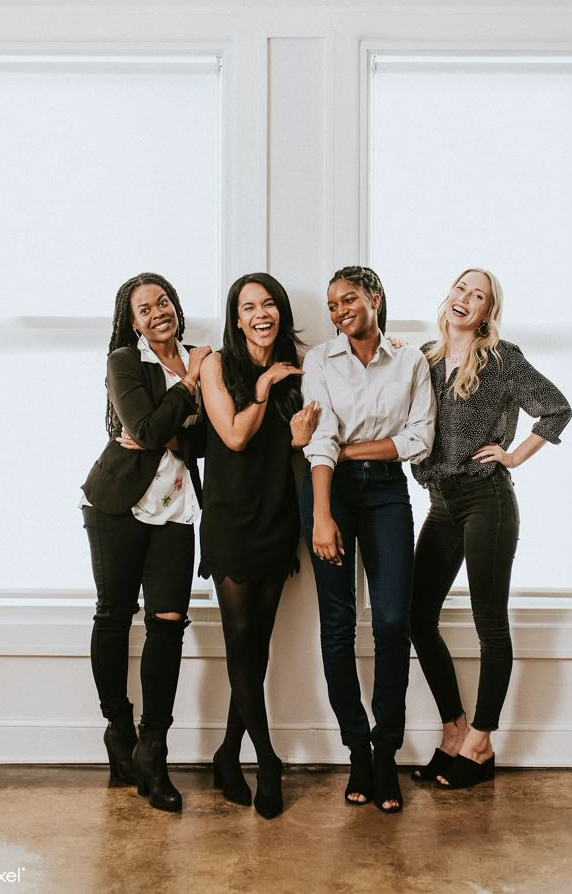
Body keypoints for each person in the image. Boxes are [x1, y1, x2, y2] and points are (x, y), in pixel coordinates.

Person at [410, 267, 572, 789]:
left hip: (487, 500)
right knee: (418, 618)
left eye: (478, 296)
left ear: (487, 312)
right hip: (441, 503)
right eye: (461, 288)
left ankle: (480, 743)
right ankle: (454, 729)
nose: (465, 299)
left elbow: (555, 409)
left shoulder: (502, 359)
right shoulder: (426, 361)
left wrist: (514, 456)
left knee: (490, 624)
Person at [299, 265, 435, 813]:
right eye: (332, 305)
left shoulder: (410, 361)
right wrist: (322, 515)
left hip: (385, 494)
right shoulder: (319, 361)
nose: (338, 312)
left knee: (392, 622)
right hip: (328, 490)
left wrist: (354, 451)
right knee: (336, 624)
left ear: (374, 298)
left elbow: (418, 438)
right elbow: (319, 435)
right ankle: (357, 749)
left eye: (348, 299)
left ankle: (387, 750)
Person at [80, 272, 211, 812]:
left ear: (175, 307)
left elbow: (207, 441)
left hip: (176, 512)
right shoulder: (125, 362)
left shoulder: (204, 361)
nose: (157, 311)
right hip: (116, 505)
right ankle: (118, 730)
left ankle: (153, 748)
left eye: (163, 301)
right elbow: (150, 429)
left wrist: (168, 424)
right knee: (113, 615)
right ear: (131, 321)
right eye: (144, 308)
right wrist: (185, 393)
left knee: (167, 625)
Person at [198, 272, 318, 819]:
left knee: (255, 647)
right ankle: (266, 761)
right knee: (239, 642)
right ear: (236, 317)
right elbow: (234, 436)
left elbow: (304, 441)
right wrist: (265, 387)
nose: (260, 313)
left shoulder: (303, 363)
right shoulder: (217, 365)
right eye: (249, 307)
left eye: (269, 303)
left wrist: (299, 432)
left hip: (276, 515)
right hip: (230, 517)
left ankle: (227, 753)